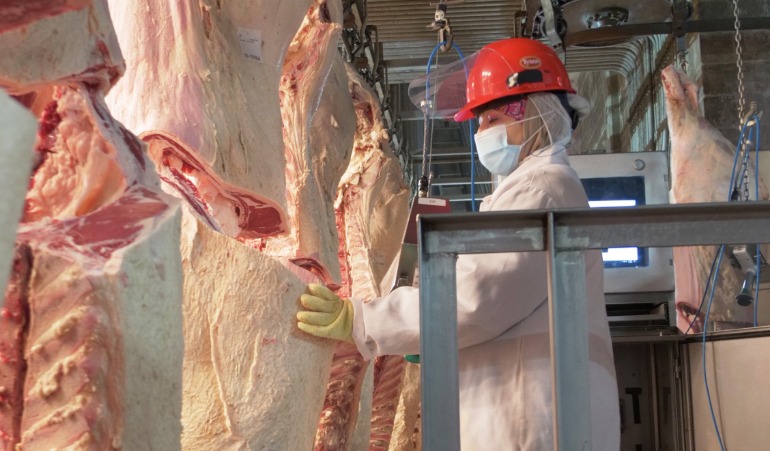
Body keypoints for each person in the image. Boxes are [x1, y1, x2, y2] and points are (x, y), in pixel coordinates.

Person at [296, 37, 620, 450]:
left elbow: (475, 297)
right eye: (480, 122)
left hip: (534, 419)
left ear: (536, 110)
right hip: (529, 410)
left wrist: (361, 321)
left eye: (492, 118)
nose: (481, 133)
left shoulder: (542, 190)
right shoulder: (533, 188)